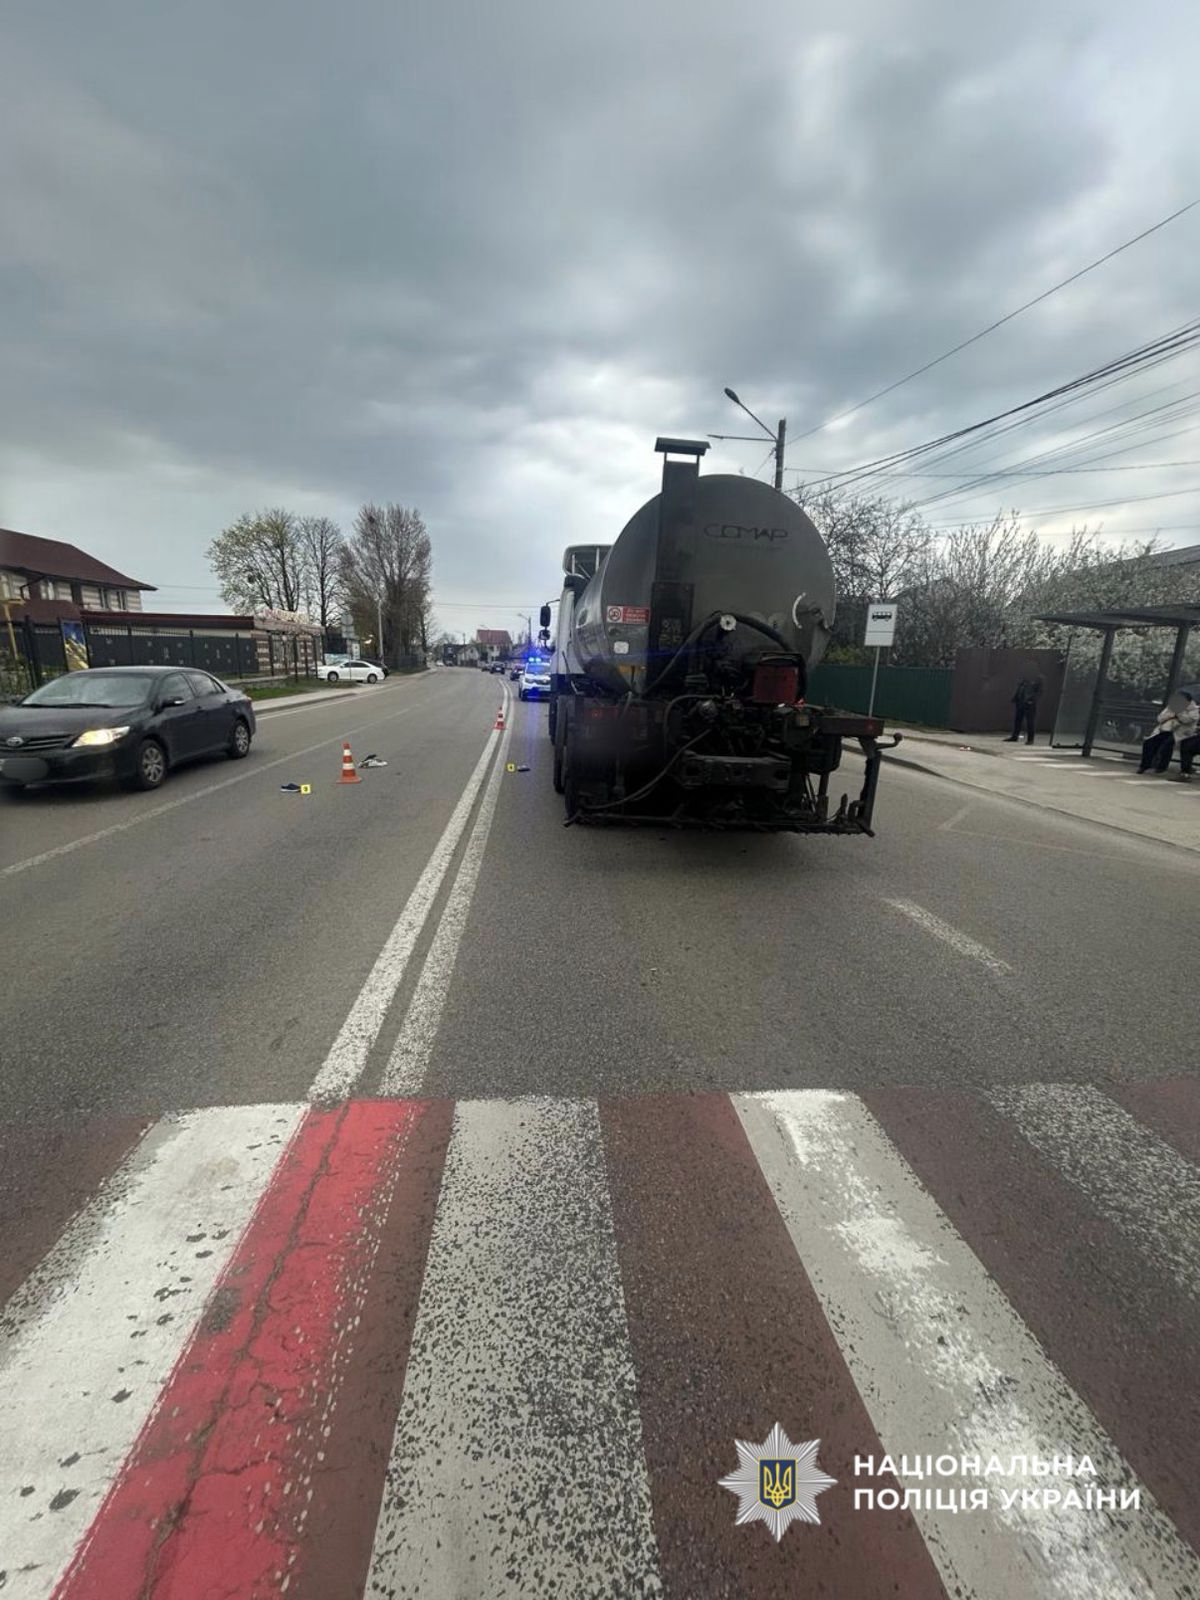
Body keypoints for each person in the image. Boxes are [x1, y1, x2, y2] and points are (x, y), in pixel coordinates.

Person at [1138, 691, 1198, 774]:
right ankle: (1144, 765)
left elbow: (1186, 720)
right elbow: (1160, 718)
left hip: (1180, 732)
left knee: (1167, 744)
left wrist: (1179, 712)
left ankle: (1161, 766)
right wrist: (1169, 715)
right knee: (1149, 742)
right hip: (1165, 729)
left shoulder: (1194, 709)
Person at [1004, 674, 1044, 744]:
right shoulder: (1025, 676)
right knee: (1018, 720)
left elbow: (1040, 691)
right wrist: (1016, 697)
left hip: (1029, 704)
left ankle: (1030, 739)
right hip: (1020, 701)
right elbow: (1020, 687)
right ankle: (1015, 736)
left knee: (1030, 722)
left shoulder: (1038, 677)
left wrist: (1032, 700)